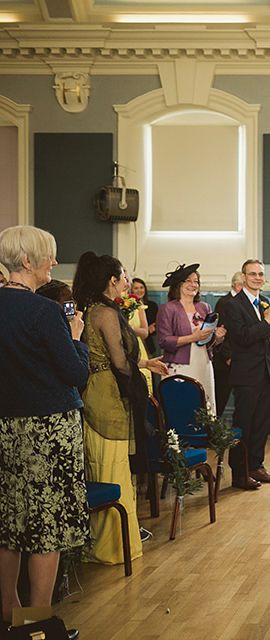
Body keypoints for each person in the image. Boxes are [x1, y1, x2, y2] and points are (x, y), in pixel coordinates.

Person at [0, 226, 88, 632]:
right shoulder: (44, 311)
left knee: (10, 525)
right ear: (27, 262)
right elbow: (75, 372)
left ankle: (10, 613)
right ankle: (37, 624)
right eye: (49, 256)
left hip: (5, 427)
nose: (54, 263)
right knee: (44, 528)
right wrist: (76, 338)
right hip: (48, 430)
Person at [72, 252, 168, 566]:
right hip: (106, 396)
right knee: (112, 469)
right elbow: (116, 362)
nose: (127, 281)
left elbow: (106, 356)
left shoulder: (92, 308)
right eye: (124, 276)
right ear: (112, 281)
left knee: (103, 464)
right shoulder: (106, 312)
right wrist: (138, 384)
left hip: (95, 389)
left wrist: (144, 362)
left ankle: (107, 542)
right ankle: (112, 547)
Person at [222, 260, 270, 491]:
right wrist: (267, 319)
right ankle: (239, 473)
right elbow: (243, 337)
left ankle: (256, 466)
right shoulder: (233, 305)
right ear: (243, 277)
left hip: (264, 370)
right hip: (245, 374)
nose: (257, 278)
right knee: (243, 425)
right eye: (253, 274)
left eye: (260, 274)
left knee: (260, 424)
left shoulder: (263, 302)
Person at [156, 263, 226, 412]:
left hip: (203, 364)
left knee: (204, 403)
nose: (193, 284)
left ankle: (206, 434)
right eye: (188, 281)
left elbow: (208, 340)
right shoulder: (168, 308)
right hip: (180, 366)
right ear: (178, 285)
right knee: (183, 406)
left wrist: (218, 337)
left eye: (196, 281)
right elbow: (163, 340)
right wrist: (192, 337)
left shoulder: (204, 307)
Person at [213, 272, 244, 417]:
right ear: (238, 286)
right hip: (225, 360)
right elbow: (222, 331)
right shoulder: (225, 302)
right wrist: (228, 357)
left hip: (238, 358)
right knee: (221, 396)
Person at [122, 270, 153, 395]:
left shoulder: (135, 303)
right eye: (122, 278)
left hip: (138, 348)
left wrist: (131, 329)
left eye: (126, 278)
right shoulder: (110, 304)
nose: (125, 283)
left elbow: (145, 332)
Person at [131, 277, 159, 356]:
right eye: (136, 288)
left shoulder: (152, 306)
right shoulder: (128, 306)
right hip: (133, 343)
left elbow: (157, 325)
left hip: (148, 345)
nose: (139, 290)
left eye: (141, 287)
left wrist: (152, 329)